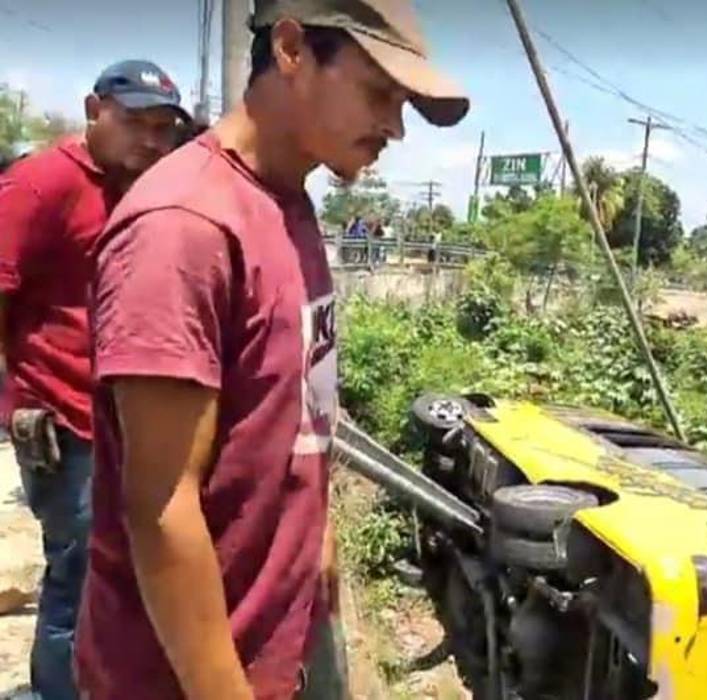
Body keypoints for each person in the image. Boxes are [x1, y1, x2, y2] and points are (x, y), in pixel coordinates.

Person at [77, 1, 468, 698]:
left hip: (266, 646)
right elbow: (161, 510)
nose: (395, 127)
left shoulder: (288, 204)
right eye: (380, 93)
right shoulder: (185, 227)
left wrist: (315, 544)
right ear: (291, 49)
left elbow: (303, 412)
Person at [0, 60, 187, 700]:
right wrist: (15, 398)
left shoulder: (138, 185)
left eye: (162, 128)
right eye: (135, 122)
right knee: (76, 581)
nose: (150, 140)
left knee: (123, 575)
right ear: (93, 109)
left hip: (124, 420)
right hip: (64, 424)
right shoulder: (41, 183)